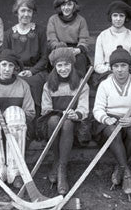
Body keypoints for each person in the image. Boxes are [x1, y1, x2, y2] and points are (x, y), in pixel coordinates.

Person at [93, 45, 131, 200]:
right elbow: (97, 109)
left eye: (123, 65)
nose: (120, 70)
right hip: (110, 120)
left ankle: (120, 168)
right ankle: (127, 173)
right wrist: (106, 118)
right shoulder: (105, 84)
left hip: (130, 119)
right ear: (111, 68)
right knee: (110, 130)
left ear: (129, 67)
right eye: (116, 66)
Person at [0, 49, 35, 193]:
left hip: (16, 131)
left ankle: (15, 171)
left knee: (15, 112)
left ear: (16, 68)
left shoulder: (23, 85)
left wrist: (11, 117)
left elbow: (30, 113)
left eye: (11, 66)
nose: (7, 69)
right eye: (4, 65)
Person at [40, 48, 90, 195]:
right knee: (55, 120)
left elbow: (84, 108)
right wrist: (61, 113)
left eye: (66, 65)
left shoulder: (81, 83)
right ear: (55, 67)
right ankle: (57, 160)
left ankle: (61, 169)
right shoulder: (48, 85)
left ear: (72, 65)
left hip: (74, 125)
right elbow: (46, 110)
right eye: (59, 65)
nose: (63, 69)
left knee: (67, 122)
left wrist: (77, 114)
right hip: (53, 123)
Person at [3, 0, 48, 132]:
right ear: (16, 12)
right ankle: (17, 125)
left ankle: (37, 128)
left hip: (36, 71)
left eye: (29, 11)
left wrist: (32, 71)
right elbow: (5, 57)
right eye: (23, 11)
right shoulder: (9, 34)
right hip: (15, 71)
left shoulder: (40, 31)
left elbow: (45, 57)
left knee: (33, 82)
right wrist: (15, 71)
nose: (26, 14)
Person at [47, 0, 90, 77]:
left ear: (74, 6)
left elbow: (84, 39)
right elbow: (51, 39)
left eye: (69, 4)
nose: (66, 8)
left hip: (75, 50)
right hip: (58, 49)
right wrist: (61, 48)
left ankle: (78, 86)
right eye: (63, 4)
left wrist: (78, 49)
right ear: (59, 6)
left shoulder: (81, 20)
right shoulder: (53, 19)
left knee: (80, 60)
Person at [94, 0, 131, 75]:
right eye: (115, 15)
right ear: (110, 17)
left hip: (127, 74)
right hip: (107, 73)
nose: (118, 19)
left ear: (125, 17)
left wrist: (123, 70)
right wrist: (112, 70)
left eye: (121, 15)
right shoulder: (103, 36)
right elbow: (97, 65)